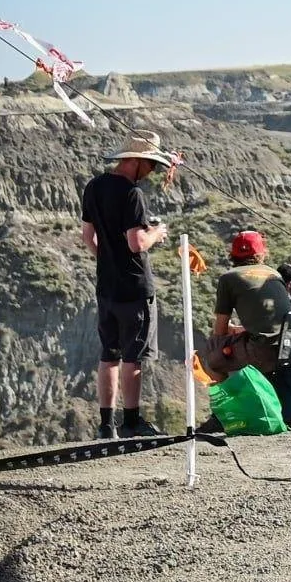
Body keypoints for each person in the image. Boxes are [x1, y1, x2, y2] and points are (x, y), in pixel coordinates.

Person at [80, 130, 172, 441]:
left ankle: (107, 424)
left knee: (109, 354)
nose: (152, 172)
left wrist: (106, 257)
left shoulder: (93, 187)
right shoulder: (133, 195)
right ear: (135, 161)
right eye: (150, 164)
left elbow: (86, 237)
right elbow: (137, 243)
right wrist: (157, 232)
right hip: (134, 287)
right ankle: (132, 421)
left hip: (106, 285)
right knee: (134, 355)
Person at [201, 230, 291, 379]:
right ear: (262, 252)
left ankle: (234, 401)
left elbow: (220, 330)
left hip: (262, 350)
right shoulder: (274, 274)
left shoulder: (228, 278)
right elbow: (271, 320)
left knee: (212, 359)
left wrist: (222, 338)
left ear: (233, 254)